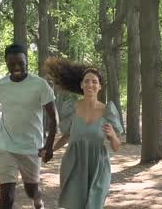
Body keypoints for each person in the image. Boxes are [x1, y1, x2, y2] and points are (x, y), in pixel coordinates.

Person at [0, 43, 58, 209]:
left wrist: (49, 145)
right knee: (6, 196)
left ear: (27, 61)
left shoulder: (40, 85)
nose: (17, 67)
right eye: (12, 64)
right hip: (6, 146)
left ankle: (37, 198)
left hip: (31, 147)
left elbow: (53, 117)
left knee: (30, 189)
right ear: (6, 64)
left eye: (21, 63)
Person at [45, 57, 123, 209]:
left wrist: (113, 135)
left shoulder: (108, 111)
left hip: (98, 167)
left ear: (99, 86)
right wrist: (50, 150)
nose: (90, 84)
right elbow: (67, 136)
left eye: (94, 81)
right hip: (74, 164)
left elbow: (115, 147)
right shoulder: (71, 108)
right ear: (81, 85)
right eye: (86, 81)